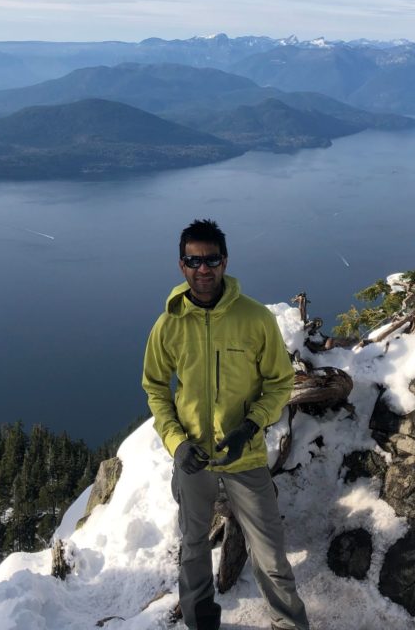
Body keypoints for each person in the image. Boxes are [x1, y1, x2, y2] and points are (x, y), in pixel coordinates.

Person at [142, 219, 310, 630]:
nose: (203, 269)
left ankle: (289, 623)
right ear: (181, 265)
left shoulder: (254, 319)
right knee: (194, 548)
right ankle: (201, 624)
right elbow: (155, 388)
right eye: (193, 261)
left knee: (269, 554)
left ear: (225, 262)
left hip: (245, 456)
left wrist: (250, 427)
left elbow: (280, 382)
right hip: (193, 460)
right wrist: (177, 443)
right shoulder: (169, 324)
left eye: (211, 259)